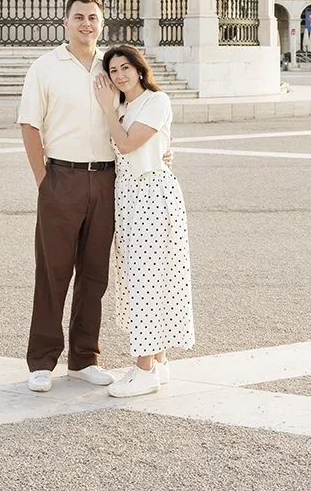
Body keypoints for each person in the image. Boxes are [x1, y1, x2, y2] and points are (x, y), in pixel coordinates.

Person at [17, 0, 119, 392]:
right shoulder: (45, 68)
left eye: (93, 18)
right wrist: (44, 179)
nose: (86, 24)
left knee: (95, 275)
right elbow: (29, 125)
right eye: (79, 17)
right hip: (61, 177)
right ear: (65, 22)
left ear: (102, 22)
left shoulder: (113, 66)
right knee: (53, 272)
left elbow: (139, 109)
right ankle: (42, 361)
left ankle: (84, 357)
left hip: (106, 180)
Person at [95, 45, 195, 397]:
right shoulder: (124, 106)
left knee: (147, 280)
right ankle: (159, 360)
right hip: (129, 197)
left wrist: (107, 109)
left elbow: (126, 145)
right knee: (145, 278)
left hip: (151, 195)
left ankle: (144, 368)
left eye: (126, 67)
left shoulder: (156, 100)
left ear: (139, 70)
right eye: (113, 70)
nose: (120, 75)